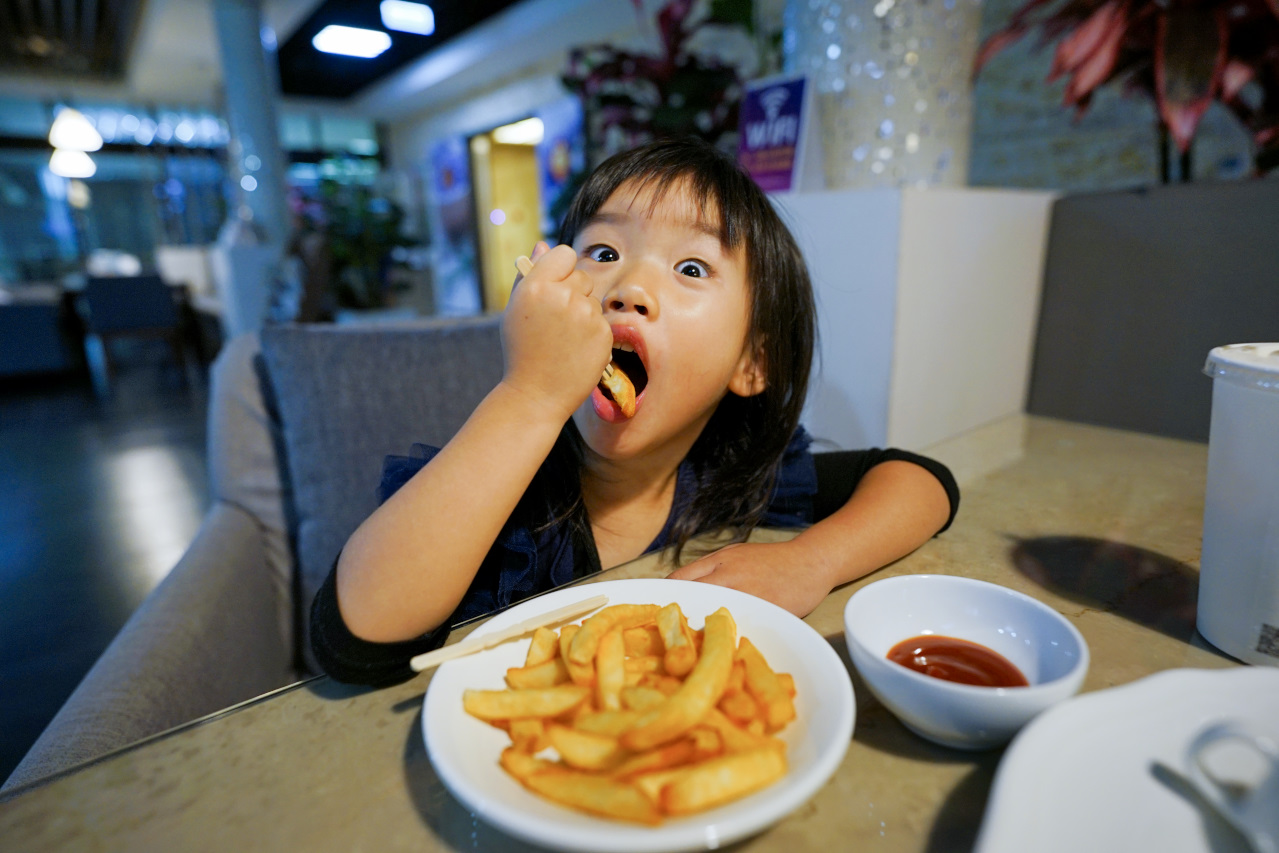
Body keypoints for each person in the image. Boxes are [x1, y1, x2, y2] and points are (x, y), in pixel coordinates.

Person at [311, 138, 958, 685]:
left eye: (690, 266)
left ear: (751, 364)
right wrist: (529, 397)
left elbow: (919, 477)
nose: (628, 289)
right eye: (602, 253)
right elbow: (353, 637)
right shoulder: (506, 494)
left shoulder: (728, 478)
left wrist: (811, 560)